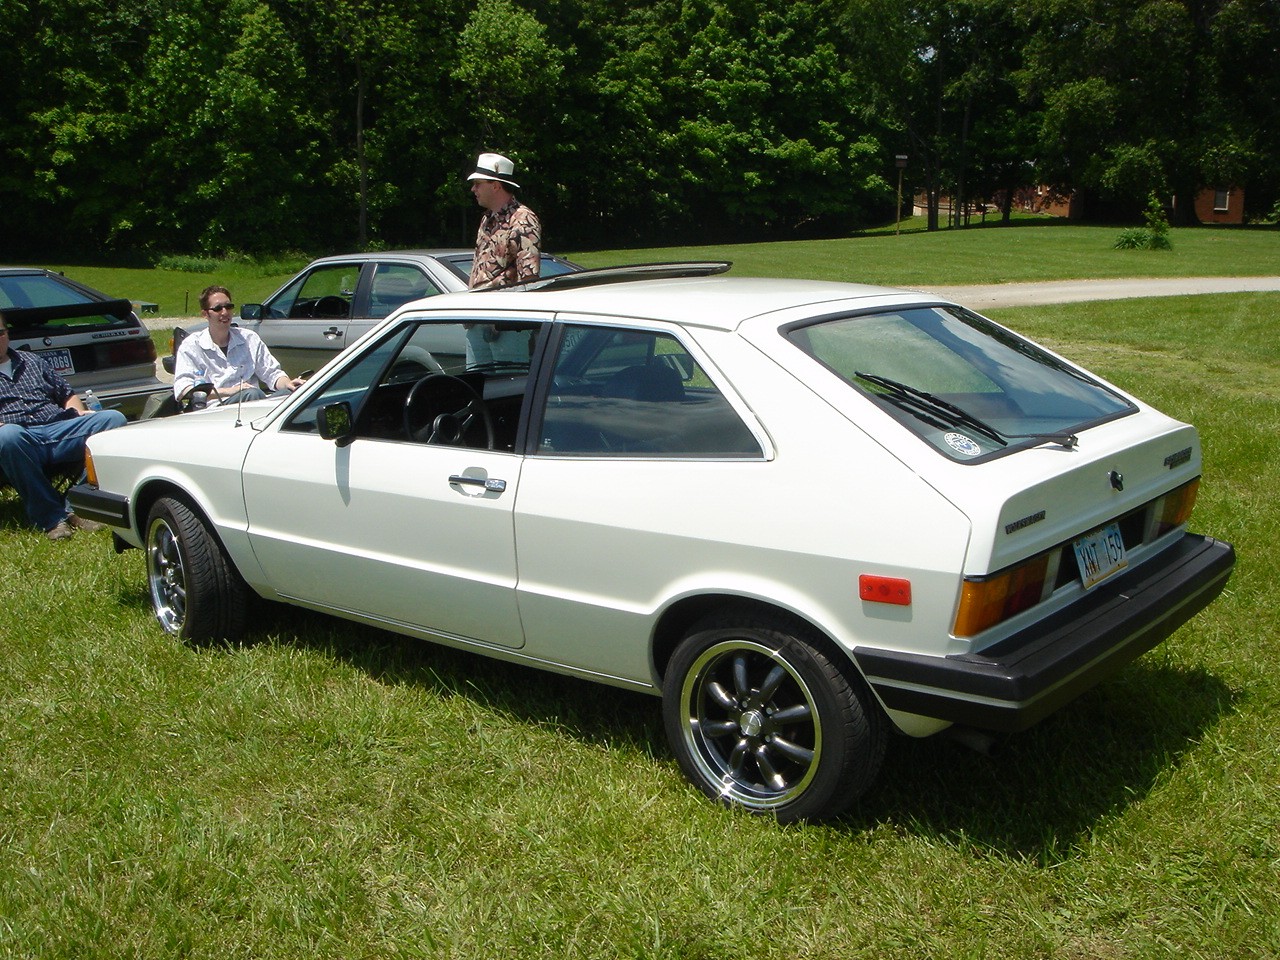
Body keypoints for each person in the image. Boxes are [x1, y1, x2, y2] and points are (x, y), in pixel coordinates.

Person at [0, 309, 128, 540]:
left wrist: (78, 412)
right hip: (18, 439)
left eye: (0, 333)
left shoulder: (31, 361)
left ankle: (76, 506)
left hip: (58, 428)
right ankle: (52, 519)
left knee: (113, 419)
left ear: (7, 333)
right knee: (8, 435)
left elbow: (66, 394)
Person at [172, 285, 304, 405]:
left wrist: (288, 383)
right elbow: (184, 390)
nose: (225, 312)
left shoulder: (249, 338)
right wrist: (230, 391)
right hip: (217, 408)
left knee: (293, 394)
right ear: (205, 314)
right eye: (218, 308)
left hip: (253, 401)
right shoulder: (192, 345)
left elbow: (272, 373)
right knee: (252, 394)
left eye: (228, 307)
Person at [466, 152, 542, 291]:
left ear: (495, 186)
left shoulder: (523, 220)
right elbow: (476, 271)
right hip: (478, 302)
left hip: (504, 303)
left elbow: (529, 280)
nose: (473, 189)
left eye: (477, 184)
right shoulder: (487, 219)